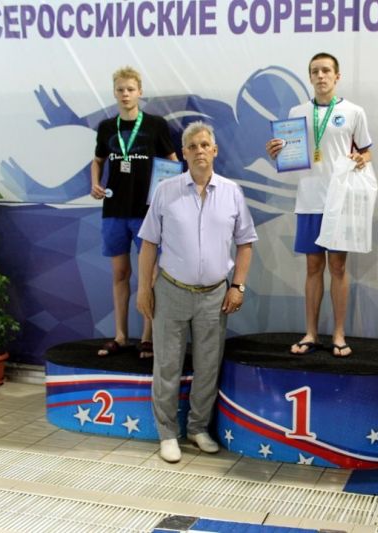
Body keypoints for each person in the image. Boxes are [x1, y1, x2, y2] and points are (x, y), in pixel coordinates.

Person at [136, 121, 257, 463]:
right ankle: (167, 433)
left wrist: (238, 286)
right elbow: (148, 244)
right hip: (171, 291)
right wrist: (143, 289)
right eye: (192, 146)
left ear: (214, 151)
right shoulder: (166, 191)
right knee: (167, 365)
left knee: (207, 366)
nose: (199, 151)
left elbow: (246, 243)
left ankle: (198, 428)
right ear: (184, 154)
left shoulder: (232, 192)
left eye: (205, 145)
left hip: (215, 296)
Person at [266, 52, 372, 358]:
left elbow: (367, 152)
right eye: (315, 71)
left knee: (338, 267)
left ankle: (339, 334)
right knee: (313, 267)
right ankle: (311, 332)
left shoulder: (353, 112)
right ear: (310, 77)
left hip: (340, 200)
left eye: (326, 70)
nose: (321, 76)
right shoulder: (297, 112)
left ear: (337, 76)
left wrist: (360, 159)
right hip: (309, 199)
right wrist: (277, 151)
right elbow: (289, 153)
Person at [91, 66, 178, 358]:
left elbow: (172, 160)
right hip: (114, 210)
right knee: (120, 273)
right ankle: (120, 335)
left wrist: (168, 194)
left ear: (140, 92)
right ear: (114, 93)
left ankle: (147, 337)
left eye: (130, 89)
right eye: (120, 90)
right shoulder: (107, 127)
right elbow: (97, 160)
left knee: (149, 276)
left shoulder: (155, 125)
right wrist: (95, 183)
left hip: (147, 212)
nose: (125, 94)